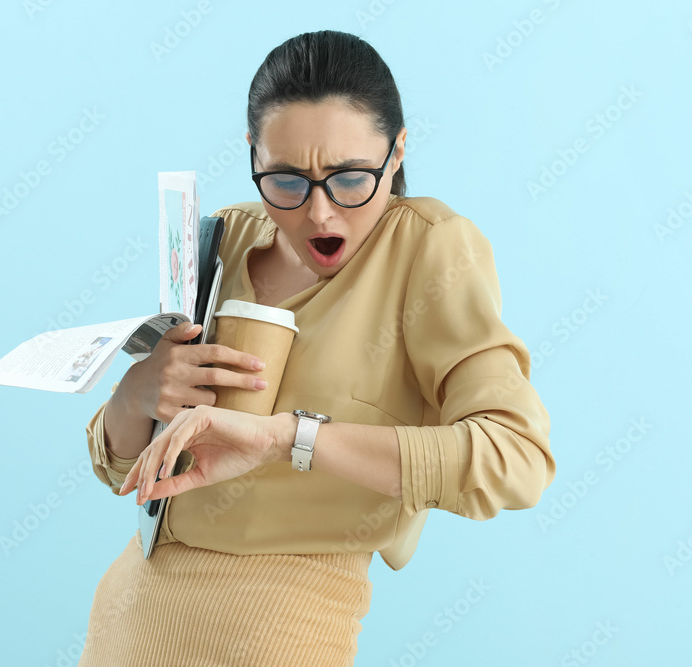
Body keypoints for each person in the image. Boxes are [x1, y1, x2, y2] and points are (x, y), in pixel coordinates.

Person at [77, 29, 556, 667]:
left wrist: (287, 438)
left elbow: (514, 459)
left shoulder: (429, 250)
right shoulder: (220, 239)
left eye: (352, 178)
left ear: (399, 150)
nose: (320, 214)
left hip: (283, 630)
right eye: (286, 181)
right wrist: (137, 392)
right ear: (253, 155)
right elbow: (117, 469)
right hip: (130, 618)